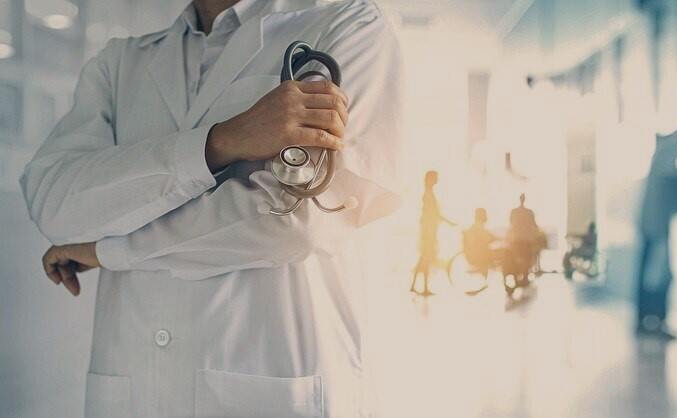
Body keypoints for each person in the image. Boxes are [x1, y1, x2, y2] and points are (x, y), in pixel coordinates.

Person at [20, 1, 403, 417]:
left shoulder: (347, 24)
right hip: (132, 389)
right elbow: (54, 202)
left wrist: (107, 250)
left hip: (271, 385)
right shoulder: (120, 61)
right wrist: (221, 142)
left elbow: (294, 222)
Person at [410, 170, 455, 296]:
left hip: (428, 231)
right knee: (426, 259)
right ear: (431, 179)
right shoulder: (428, 194)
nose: (438, 180)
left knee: (423, 259)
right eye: (436, 177)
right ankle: (423, 287)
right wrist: (450, 222)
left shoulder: (428, 193)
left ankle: (416, 286)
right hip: (428, 232)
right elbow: (434, 214)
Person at [503, 194, 545, 289]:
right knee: (526, 258)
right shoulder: (529, 212)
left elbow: (511, 223)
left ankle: (519, 276)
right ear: (524, 200)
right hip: (525, 241)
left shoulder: (514, 212)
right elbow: (534, 225)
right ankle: (524, 277)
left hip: (516, 240)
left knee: (517, 258)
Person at [462, 208, 498, 280]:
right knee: (505, 253)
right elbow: (488, 238)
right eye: (485, 215)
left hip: (473, 255)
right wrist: (497, 238)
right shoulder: (479, 227)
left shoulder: (474, 227)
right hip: (479, 256)